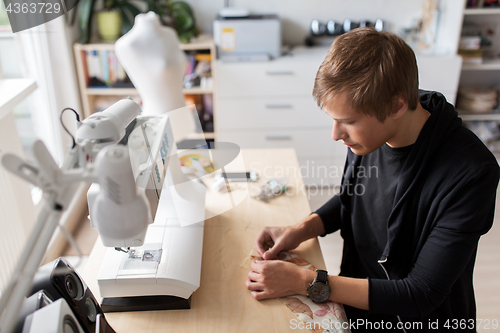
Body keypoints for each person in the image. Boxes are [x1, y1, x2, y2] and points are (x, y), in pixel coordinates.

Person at [246, 28, 499, 332]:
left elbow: (420, 294)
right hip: (357, 304)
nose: (336, 135)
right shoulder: (371, 135)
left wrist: (306, 281)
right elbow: (353, 198)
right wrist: (301, 229)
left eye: (348, 122)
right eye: (334, 119)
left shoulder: (470, 173)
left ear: (396, 106)